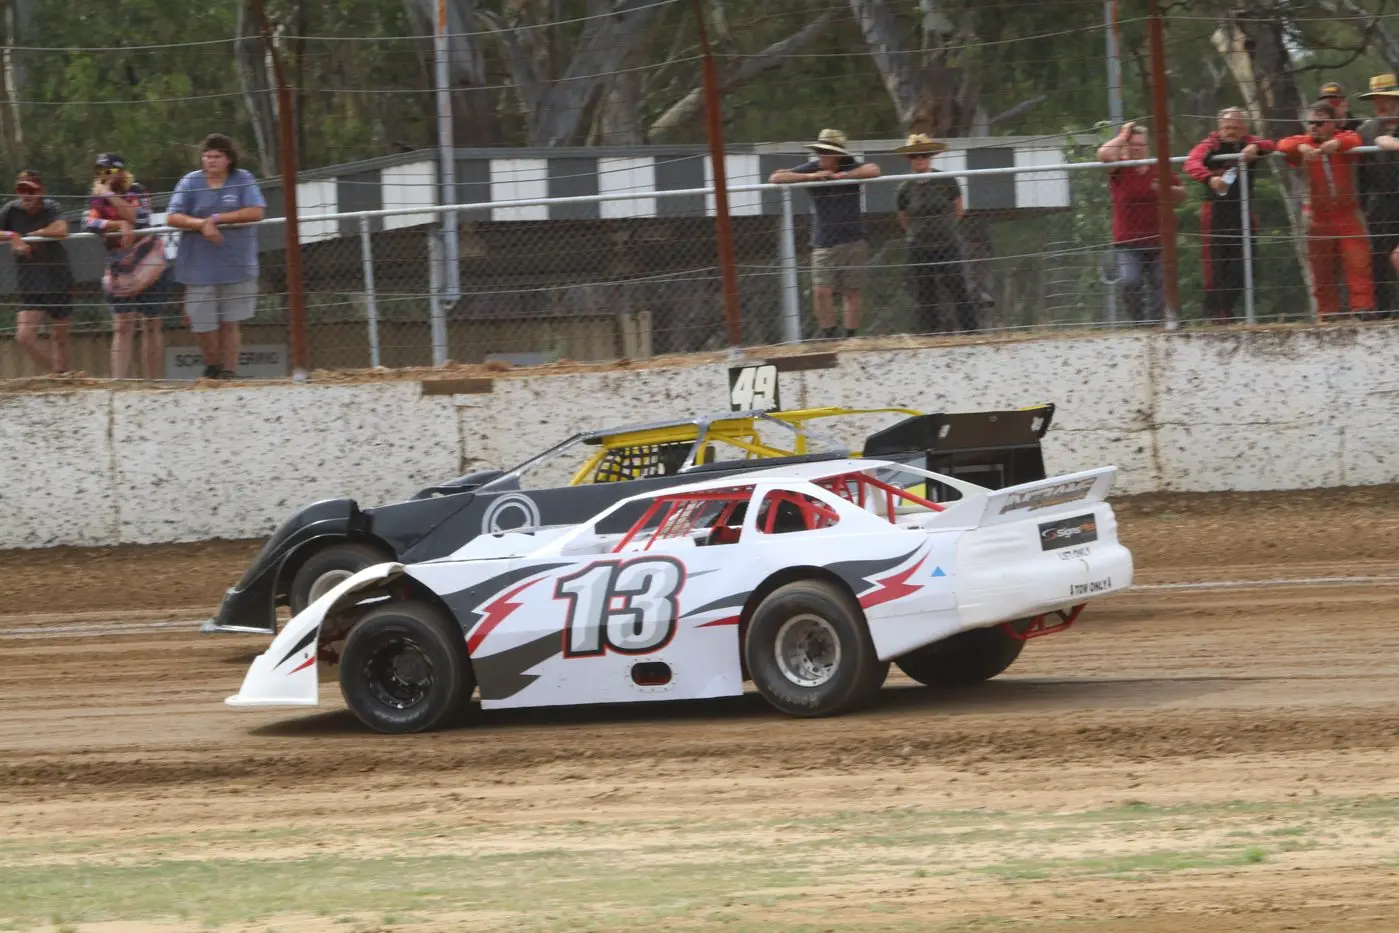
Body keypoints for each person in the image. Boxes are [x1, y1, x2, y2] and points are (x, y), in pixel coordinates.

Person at [165, 133, 266, 379]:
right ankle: (213, 365)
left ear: (229, 159)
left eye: (217, 156)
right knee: (202, 323)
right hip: (198, 268)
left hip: (236, 264)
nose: (211, 160)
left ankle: (229, 371)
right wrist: (200, 224)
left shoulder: (243, 179)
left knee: (231, 321)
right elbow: (173, 216)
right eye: (207, 156)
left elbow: (256, 211)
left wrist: (217, 219)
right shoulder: (190, 182)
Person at [768, 128, 881, 339]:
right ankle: (829, 336)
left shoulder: (851, 166)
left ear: (839, 154)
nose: (822, 156)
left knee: (852, 291)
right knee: (821, 292)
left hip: (854, 239)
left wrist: (843, 176)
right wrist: (812, 176)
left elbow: (874, 170)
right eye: (819, 151)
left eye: (827, 152)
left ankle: (850, 337)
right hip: (823, 242)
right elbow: (776, 177)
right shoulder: (812, 168)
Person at [1278, 103, 1375, 320]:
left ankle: (1363, 310)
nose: (1314, 126)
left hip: (1348, 214)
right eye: (1310, 122)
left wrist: (1335, 143)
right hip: (1316, 217)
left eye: (1319, 122)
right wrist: (1303, 147)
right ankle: (1327, 313)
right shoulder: (1302, 143)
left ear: (1332, 123)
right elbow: (1283, 145)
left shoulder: (1345, 138)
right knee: (1321, 269)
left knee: (1358, 263)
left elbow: (1354, 139)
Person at [84, 153, 174, 379]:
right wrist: (117, 223)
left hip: (148, 261)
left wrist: (110, 196)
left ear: (121, 172)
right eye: (99, 171)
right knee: (123, 324)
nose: (103, 176)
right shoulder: (96, 197)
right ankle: (120, 381)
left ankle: (153, 381)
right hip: (119, 263)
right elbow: (91, 222)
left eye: (108, 171)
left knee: (151, 323)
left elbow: (139, 217)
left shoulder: (136, 189)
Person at [1184, 108, 1274, 323]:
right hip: (1215, 210)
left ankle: (1226, 308)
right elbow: (1190, 163)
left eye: (1235, 127)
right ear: (1219, 128)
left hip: (1243, 210)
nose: (1230, 131)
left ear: (1244, 128)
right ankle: (1215, 312)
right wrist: (1209, 179)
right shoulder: (1210, 145)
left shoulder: (1250, 141)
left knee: (1246, 264)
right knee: (1215, 263)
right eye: (1226, 127)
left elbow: (1272, 144)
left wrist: (1256, 146)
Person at [1096, 121, 1187, 325]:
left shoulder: (1159, 168)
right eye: (1132, 144)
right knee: (1130, 282)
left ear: (1147, 147)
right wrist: (1122, 135)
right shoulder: (1120, 169)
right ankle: (1138, 322)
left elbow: (1182, 194)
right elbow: (1103, 155)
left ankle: (1154, 324)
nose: (1137, 148)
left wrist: (1166, 189)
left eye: (1141, 144)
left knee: (1161, 282)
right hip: (1128, 241)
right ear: (1126, 147)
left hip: (1159, 240)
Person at [894, 133, 977, 333]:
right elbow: (903, 217)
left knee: (957, 287)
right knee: (925, 292)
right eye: (915, 156)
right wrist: (917, 232)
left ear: (931, 156)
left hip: (947, 244)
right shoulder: (904, 188)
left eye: (924, 155)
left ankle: (970, 331)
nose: (920, 159)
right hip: (919, 246)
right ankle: (930, 333)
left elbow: (959, 209)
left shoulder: (946, 181)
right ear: (909, 159)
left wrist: (944, 227)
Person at [0, 170, 73, 375]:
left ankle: (64, 381)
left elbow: (61, 229)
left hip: (57, 277)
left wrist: (33, 236)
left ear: (41, 190)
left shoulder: (51, 207)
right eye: (21, 189)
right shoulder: (10, 211)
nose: (26, 195)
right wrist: (12, 236)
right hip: (30, 282)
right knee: (24, 336)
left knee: (60, 337)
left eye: (30, 190)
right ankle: (58, 372)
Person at [1356, 74, 1399, 318]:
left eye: (1386, 98)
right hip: (1380, 202)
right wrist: (1360, 204)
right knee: (1379, 256)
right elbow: (1360, 172)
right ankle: (1383, 311)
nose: (1380, 104)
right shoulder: (1366, 129)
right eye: (1376, 99)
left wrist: (1393, 143)